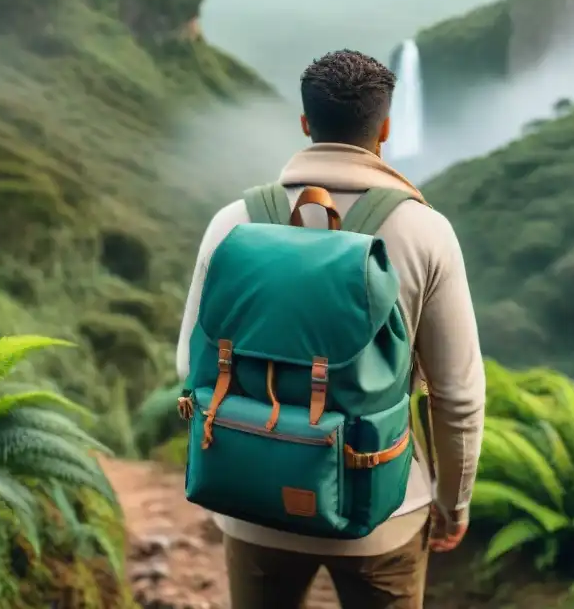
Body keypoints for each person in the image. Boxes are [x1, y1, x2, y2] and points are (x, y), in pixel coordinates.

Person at [175, 49, 486, 609]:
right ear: (385, 128)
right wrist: (450, 502)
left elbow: (187, 366)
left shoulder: (233, 223)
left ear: (305, 124)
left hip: (251, 501)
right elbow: (457, 398)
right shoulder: (424, 231)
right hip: (383, 510)